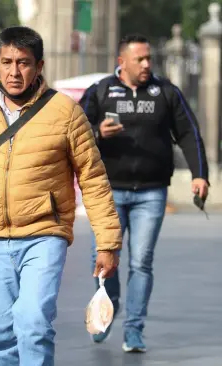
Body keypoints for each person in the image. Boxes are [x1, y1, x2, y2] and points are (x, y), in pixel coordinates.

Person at [0, 26, 122, 365]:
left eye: (24, 63)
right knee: (0, 333)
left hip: (44, 234)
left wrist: (107, 242)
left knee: (32, 323)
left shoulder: (65, 112)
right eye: (7, 62)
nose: (15, 72)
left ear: (40, 66)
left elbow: (92, 178)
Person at [79, 33, 209, 353]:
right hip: (108, 192)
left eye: (149, 58)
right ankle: (108, 309)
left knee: (141, 262)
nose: (147, 64)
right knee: (105, 259)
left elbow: (188, 134)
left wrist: (200, 175)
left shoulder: (165, 91)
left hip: (151, 193)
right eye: (140, 59)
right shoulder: (100, 92)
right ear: (121, 62)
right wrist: (97, 132)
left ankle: (134, 329)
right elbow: (74, 132)